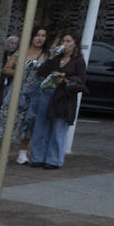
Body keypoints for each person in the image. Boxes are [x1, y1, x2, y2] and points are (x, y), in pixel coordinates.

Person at [28, 33, 87, 170]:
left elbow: (82, 80)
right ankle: (38, 157)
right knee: (41, 126)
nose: (65, 44)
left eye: (68, 41)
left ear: (74, 44)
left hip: (63, 96)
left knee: (58, 128)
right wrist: (51, 57)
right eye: (63, 41)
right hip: (48, 93)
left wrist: (66, 79)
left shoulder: (77, 61)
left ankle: (53, 160)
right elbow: (41, 72)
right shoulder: (55, 58)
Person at [0, 28, 48, 165]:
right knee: (8, 120)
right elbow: (6, 68)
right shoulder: (20, 53)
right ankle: (3, 153)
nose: (40, 38)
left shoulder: (46, 55)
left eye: (43, 36)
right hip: (16, 91)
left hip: (35, 93)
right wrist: (18, 73)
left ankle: (23, 153)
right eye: (37, 35)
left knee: (28, 121)